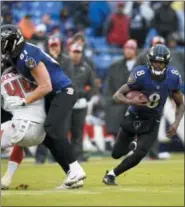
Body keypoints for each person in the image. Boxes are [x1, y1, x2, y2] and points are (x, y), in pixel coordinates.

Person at [1, 24, 86, 189]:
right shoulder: (15, 54)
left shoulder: (28, 55)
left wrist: (24, 100)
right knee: (46, 136)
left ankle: (76, 168)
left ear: (10, 42)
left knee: (51, 128)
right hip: (53, 94)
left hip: (64, 91)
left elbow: (46, 86)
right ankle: (72, 175)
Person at [103, 44, 184, 185]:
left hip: (153, 119)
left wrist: (176, 122)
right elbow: (117, 95)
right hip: (134, 115)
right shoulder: (140, 75)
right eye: (155, 62)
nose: (158, 65)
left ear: (166, 63)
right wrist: (131, 102)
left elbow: (180, 103)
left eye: (161, 62)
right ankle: (131, 145)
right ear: (149, 61)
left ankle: (112, 174)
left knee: (140, 153)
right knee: (116, 154)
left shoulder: (172, 77)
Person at [1, 69, 46, 189]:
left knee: (17, 138)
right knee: (19, 144)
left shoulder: (5, 77)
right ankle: (7, 178)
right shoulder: (33, 72)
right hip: (41, 130)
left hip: (22, 124)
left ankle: (6, 178)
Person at [104, 39, 138, 147]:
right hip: (119, 101)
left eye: (131, 49)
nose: (128, 51)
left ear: (135, 51)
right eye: (126, 48)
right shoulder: (115, 66)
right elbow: (109, 87)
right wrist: (112, 100)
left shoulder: (141, 66)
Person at [68, 42, 96, 162]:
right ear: (70, 52)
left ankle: (78, 156)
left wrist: (86, 96)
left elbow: (92, 85)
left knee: (78, 132)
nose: (76, 55)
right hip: (66, 103)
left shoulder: (86, 67)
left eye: (78, 52)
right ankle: (59, 156)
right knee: (63, 131)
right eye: (74, 52)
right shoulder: (64, 66)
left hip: (80, 103)